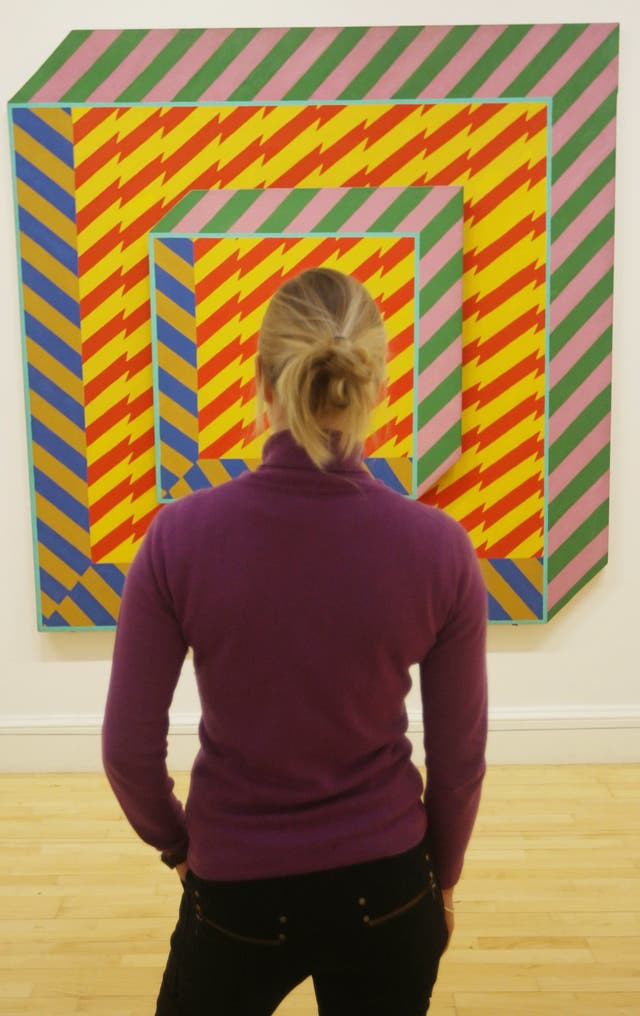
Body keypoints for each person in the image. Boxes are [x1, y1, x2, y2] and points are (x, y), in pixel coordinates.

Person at [102, 267, 488, 1016]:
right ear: (374, 385)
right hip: (389, 889)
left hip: (235, 892)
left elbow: (126, 753)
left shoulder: (178, 538)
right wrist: (442, 878)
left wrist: (179, 846)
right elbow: (461, 760)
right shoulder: (441, 549)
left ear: (261, 382)